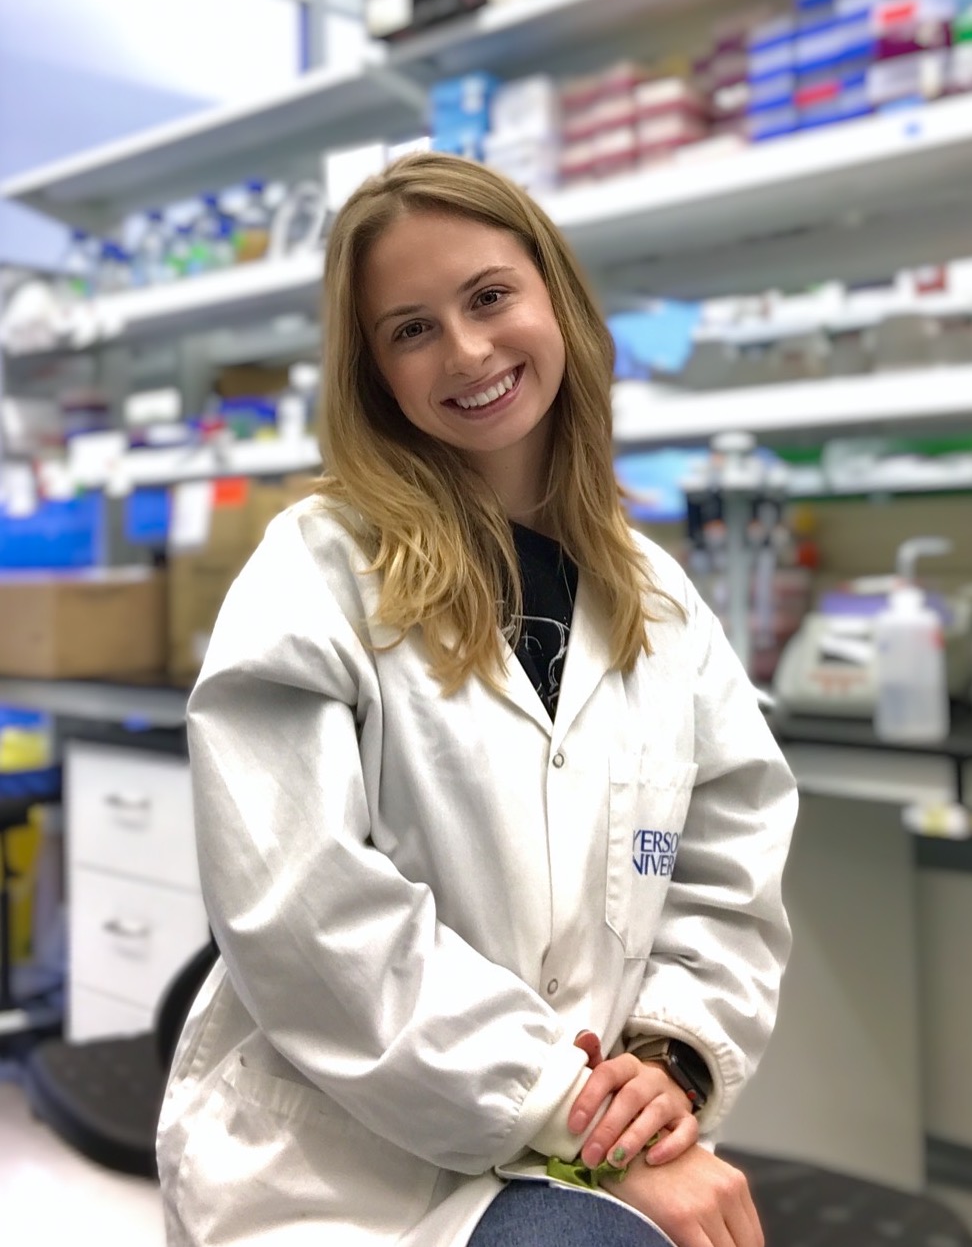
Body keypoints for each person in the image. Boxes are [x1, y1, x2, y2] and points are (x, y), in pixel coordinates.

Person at [157, 150, 798, 1247]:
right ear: (374, 371)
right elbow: (307, 914)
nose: (465, 350)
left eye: (490, 296)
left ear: (557, 298)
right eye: (411, 328)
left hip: (578, 1142)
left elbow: (728, 870)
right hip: (338, 1172)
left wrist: (670, 1058)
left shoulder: (658, 599)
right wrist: (582, 1121)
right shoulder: (316, 570)